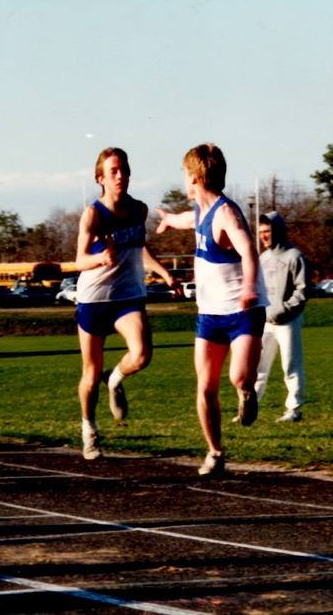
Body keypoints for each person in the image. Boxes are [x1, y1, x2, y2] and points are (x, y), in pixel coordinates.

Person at [156, 143, 267, 476]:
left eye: (184, 174)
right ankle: (215, 452)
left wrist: (249, 287)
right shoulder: (199, 211)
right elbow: (186, 219)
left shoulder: (225, 213)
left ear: (193, 176)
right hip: (209, 314)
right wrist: (168, 220)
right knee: (205, 386)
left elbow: (249, 251)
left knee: (238, 376)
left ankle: (246, 392)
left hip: (242, 310)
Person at [74, 147, 176, 460]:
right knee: (91, 373)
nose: (121, 176)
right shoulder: (93, 214)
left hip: (127, 296)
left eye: (124, 170)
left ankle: (116, 379)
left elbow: (139, 247)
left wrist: (163, 272)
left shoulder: (139, 210)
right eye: (114, 171)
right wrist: (99, 259)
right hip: (94, 298)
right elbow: (79, 260)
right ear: (100, 178)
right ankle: (89, 431)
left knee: (142, 355)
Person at [250, 211, 307, 422]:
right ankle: (250, 406)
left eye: (268, 231)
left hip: (288, 321)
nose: (264, 236)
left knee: (291, 365)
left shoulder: (295, 256)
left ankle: (294, 409)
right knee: (258, 367)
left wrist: (285, 310)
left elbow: (302, 290)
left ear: (279, 231)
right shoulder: (262, 258)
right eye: (261, 232)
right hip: (265, 322)